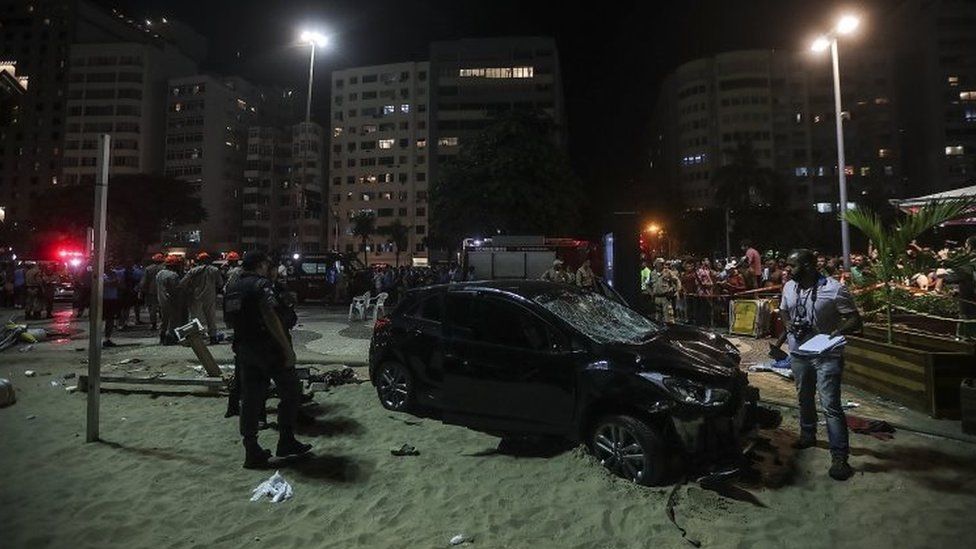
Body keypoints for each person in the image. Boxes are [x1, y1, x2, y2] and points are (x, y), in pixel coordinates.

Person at [773, 249, 861, 481]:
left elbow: (854, 319)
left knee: (831, 404)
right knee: (804, 397)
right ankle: (808, 435)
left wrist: (836, 332)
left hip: (827, 355)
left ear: (809, 267)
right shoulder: (789, 286)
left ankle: (840, 457)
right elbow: (783, 309)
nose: (787, 270)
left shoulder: (835, 288)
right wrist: (789, 323)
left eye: (792, 266)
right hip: (799, 353)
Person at [224, 251, 311, 468]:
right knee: (291, 391)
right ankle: (286, 440)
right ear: (261, 264)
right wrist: (286, 348)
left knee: (251, 399)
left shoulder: (232, 286)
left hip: (245, 348)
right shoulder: (261, 284)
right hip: (269, 348)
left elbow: (228, 321)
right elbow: (270, 316)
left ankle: (251, 449)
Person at [180, 252, 224, 344]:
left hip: (196, 297)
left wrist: (189, 289)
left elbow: (182, 283)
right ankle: (213, 338)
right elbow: (220, 283)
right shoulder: (214, 270)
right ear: (208, 260)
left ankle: (197, 339)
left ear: (199, 261)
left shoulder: (193, 271)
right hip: (210, 296)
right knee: (211, 317)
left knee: (195, 318)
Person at [156, 255, 183, 345]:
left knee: (164, 320)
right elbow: (176, 290)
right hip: (171, 301)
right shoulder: (173, 275)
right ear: (173, 265)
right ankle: (169, 339)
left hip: (161, 300)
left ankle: (162, 337)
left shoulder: (160, 274)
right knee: (173, 320)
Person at [140, 253, 165, 331]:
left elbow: (144, 282)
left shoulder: (148, 269)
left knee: (152, 309)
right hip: (163, 291)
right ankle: (163, 323)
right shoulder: (165, 268)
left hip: (151, 291)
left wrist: (142, 291)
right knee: (163, 308)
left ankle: (153, 324)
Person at [649, 258, 677, 322]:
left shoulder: (668, 272)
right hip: (657, 298)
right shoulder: (652, 273)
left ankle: (670, 330)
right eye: (659, 263)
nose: (661, 265)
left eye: (662, 263)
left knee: (668, 318)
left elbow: (676, 281)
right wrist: (651, 293)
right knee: (657, 318)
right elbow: (648, 284)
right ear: (656, 264)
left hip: (665, 298)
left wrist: (674, 290)